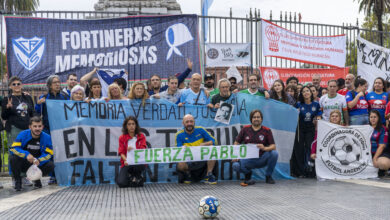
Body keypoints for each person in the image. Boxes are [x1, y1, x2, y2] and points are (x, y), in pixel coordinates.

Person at [2, 76, 35, 187]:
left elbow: (32, 112)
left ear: (22, 85)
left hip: (26, 128)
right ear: (10, 86)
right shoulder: (7, 99)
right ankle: (15, 178)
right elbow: (4, 116)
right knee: (14, 153)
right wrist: (7, 107)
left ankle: (24, 176)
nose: (16, 86)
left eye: (18, 84)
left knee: (26, 152)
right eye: (14, 84)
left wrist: (33, 125)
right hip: (14, 129)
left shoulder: (27, 97)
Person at [232, 109, 278, 185]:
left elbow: (273, 146)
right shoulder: (245, 129)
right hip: (248, 159)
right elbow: (236, 142)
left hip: (262, 158)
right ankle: (248, 174)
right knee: (235, 165)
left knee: (274, 154)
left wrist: (264, 148)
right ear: (251, 119)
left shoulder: (267, 130)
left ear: (261, 119)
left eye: (258, 117)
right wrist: (236, 155)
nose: (256, 119)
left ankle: (268, 176)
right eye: (254, 117)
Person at [9, 116, 55, 191]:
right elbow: (14, 149)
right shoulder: (23, 134)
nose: (37, 128)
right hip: (24, 163)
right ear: (30, 127)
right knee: (13, 158)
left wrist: (39, 160)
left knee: (50, 165)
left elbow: (49, 153)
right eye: (35, 126)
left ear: (42, 127)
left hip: (37, 164)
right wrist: (26, 154)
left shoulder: (47, 137)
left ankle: (36, 179)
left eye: (39, 126)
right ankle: (18, 180)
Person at [175, 114, 217, 184]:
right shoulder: (179, 135)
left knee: (212, 148)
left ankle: (208, 175)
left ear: (194, 122)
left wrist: (204, 144)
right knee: (180, 164)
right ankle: (187, 174)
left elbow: (214, 141)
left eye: (191, 121)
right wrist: (182, 148)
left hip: (201, 157)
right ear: (183, 123)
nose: (189, 124)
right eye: (187, 122)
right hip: (188, 159)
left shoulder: (201, 130)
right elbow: (178, 149)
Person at [290, 86, 322, 177]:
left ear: (311, 93)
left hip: (310, 128)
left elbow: (319, 116)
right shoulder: (298, 104)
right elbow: (292, 116)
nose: (306, 93)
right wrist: (295, 112)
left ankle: (310, 170)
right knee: (299, 149)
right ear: (302, 94)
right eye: (303, 91)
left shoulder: (316, 104)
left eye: (307, 91)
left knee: (309, 148)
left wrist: (317, 119)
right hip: (300, 128)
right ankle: (299, 171)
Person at [117, 116, 147, 187]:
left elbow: (143, 150)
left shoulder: (141, 136)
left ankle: (136, 177)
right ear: (126, 126)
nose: (131, 126)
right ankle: (134, 178)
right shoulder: (122, 137)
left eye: (133, 124)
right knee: (121, 183)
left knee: (137, 183)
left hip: (138, 162)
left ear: (136, 125)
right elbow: (121, 152)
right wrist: (125, 160)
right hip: (127, 163)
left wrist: (133, 150)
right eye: (129, 124)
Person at [369, 110, 390, 177]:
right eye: (371, 117)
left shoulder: (383, 129)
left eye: (375, 117)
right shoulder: (365, 128)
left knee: (384, 164)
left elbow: (382, 146)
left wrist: (375, 158)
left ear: (378, 118)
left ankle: (382, 169)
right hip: (367, 154)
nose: (373, 119)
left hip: (380, 154)